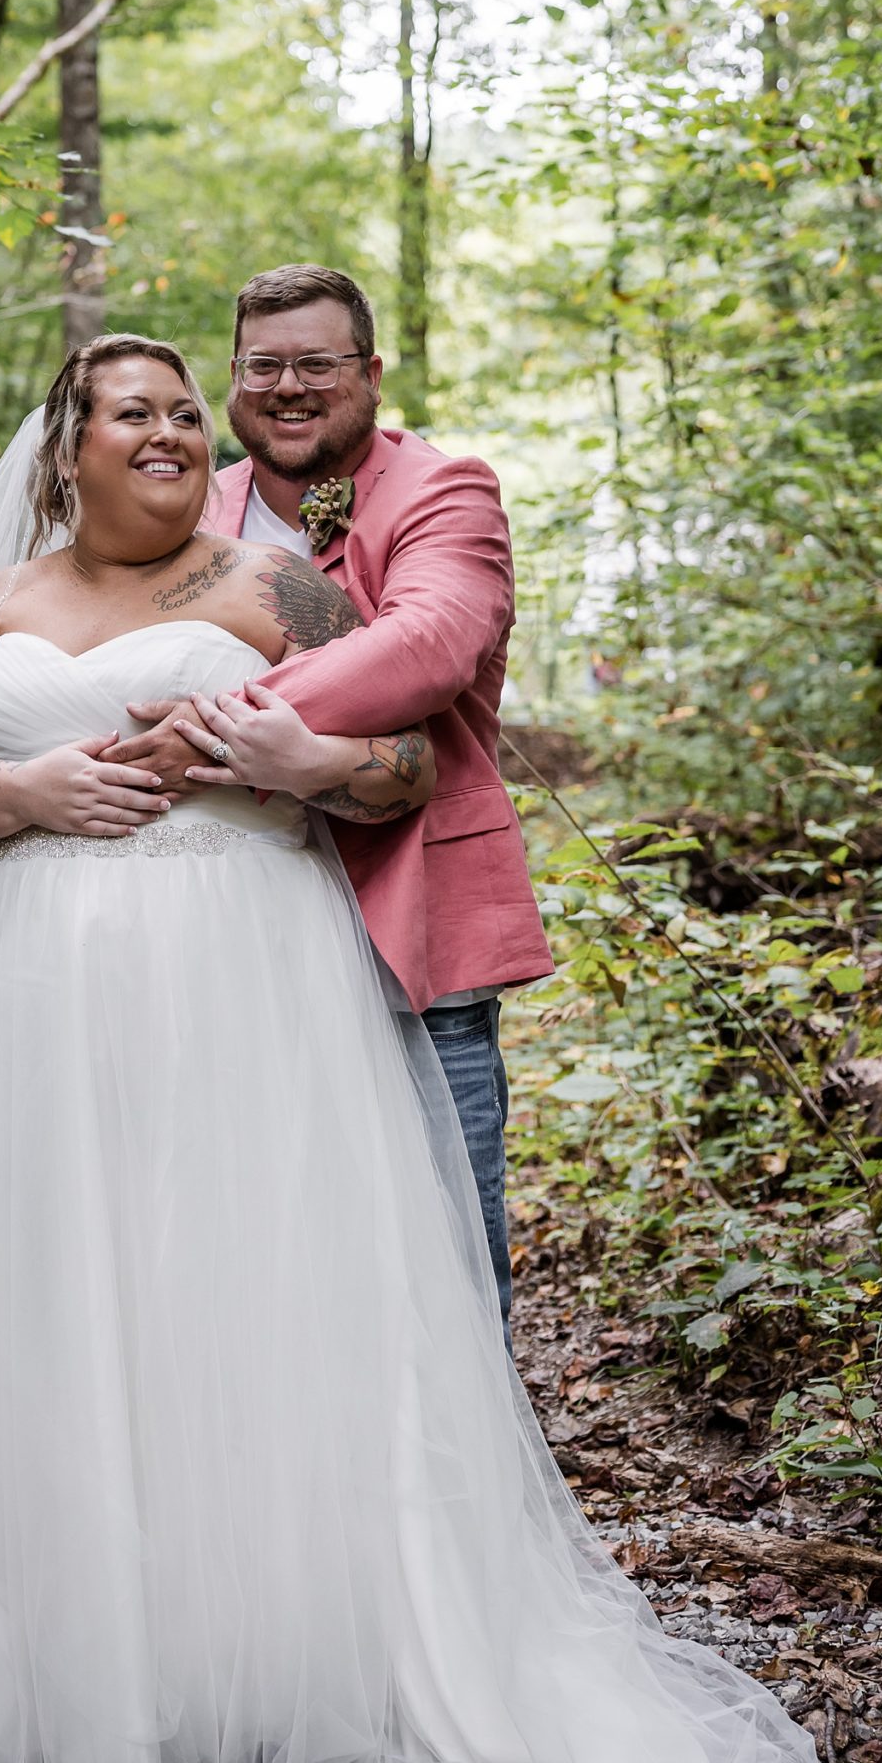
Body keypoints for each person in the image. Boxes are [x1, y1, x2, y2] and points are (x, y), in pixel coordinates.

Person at [0, 334, 818, 1763]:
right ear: (67, 449)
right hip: (31, 1001)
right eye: (136, 412)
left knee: (241, 1283)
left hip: (246, 978)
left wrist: (296, 758)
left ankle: (270, 1642)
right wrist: (20, 793)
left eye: (186, 410)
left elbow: (400, 767)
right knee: (52, 1286)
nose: (173, 430)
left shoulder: (270, 587)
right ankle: (56, 1648)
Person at [114, 264, 550, 1334]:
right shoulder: (190, 498)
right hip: (215, 937)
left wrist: (210, 725)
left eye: (317, 363)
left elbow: (430, 643)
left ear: (371, 372)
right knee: (250, 1239)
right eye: (263, 365)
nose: (289, 387)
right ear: (233, 376)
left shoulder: (445, 491)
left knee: (443, 1246)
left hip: (404, 925)